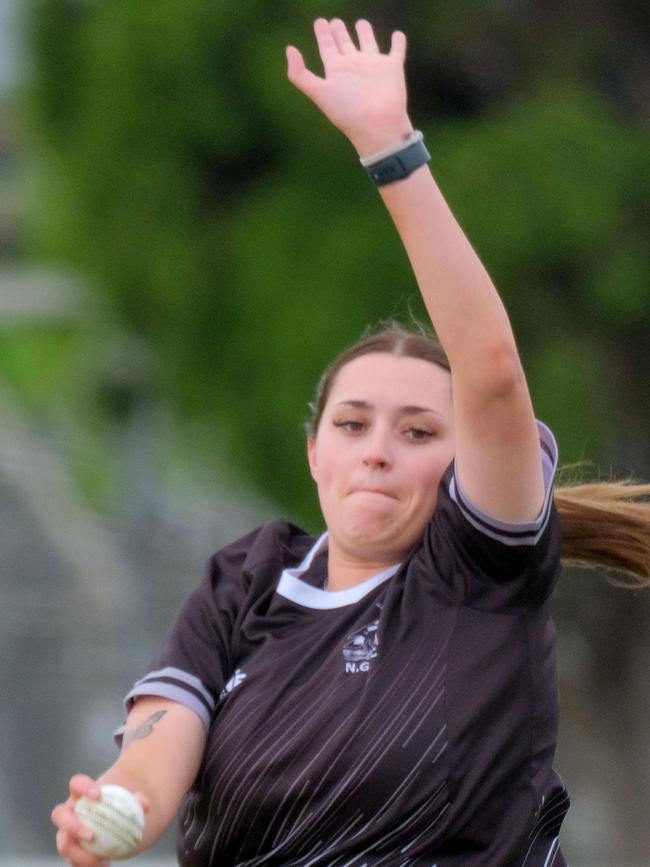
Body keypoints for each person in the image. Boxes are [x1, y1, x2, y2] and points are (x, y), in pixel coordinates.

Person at [52, 17, 650, 867]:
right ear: (314, 452)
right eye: (353, 423)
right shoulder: (250, 581)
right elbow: (158, 750)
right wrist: (118, 803)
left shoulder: (479, 575)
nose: (378, 449)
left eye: (418, 431)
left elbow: (490, 372)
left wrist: (391, 149)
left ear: (461, 466)